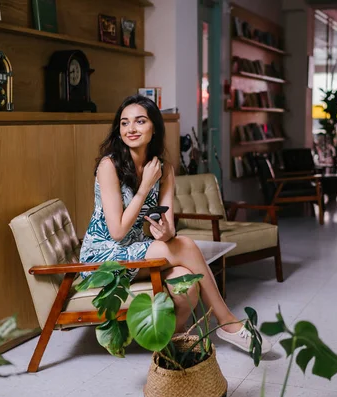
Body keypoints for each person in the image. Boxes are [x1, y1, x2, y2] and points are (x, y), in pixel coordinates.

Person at [79, 94, 271, 354]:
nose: (131, 129)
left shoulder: (164, 168)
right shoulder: (108, 166)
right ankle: (227, 321)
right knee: (187, 246)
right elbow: (117, 231)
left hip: (137, 249)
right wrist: (145, 185)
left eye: (139, 121)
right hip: (104, 257)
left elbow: (168, 226)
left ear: (154, 127)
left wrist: (165, 231)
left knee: (187, 282)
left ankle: (173, 341)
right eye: (124, 123)